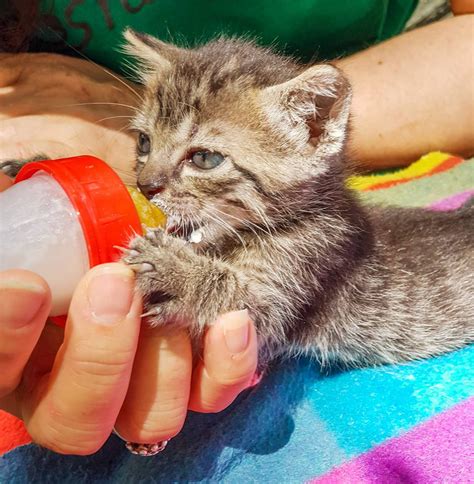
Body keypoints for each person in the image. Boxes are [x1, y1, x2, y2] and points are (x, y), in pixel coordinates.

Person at [0, 0, 472, 456]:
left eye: (204, 157)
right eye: (145, 141)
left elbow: (251, 311)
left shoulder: (315, 234)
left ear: (310, 132)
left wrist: (182, 276)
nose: (148, 180)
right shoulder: (228, 209)